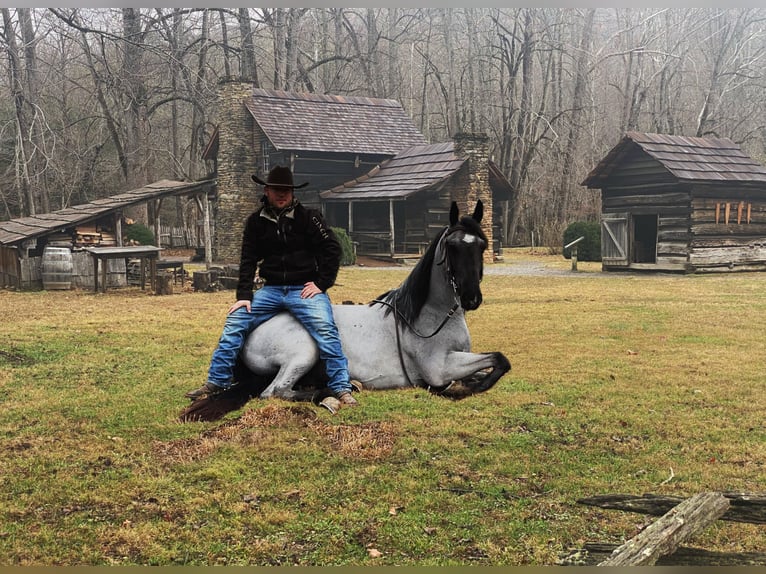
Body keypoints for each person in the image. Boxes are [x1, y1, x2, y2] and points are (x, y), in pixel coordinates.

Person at [185, 165, 358, 407]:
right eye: (277, 190)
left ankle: (341, 387)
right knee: (235, 322)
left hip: (303, 290)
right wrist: (243, 295)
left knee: (326, 330)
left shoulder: (310, 218)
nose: (282, 194)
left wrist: (321, 283)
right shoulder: (256, 222)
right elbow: (248, 259)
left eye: (286, 190)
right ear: (267, 190)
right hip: (271, 290)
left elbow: (332, 249)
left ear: (292, 192)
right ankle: (217, 380)